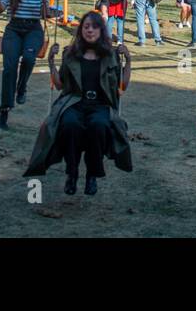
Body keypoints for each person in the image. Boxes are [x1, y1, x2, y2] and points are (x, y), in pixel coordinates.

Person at [25, 11, 133, 196]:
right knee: (69, 124)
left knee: (98, 126)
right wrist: (51, 62)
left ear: (101, 30)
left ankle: (92, 174)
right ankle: (72, 172)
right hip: (74, 102)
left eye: (94, 27)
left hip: (100, 104)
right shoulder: (71, 54)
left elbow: (121, 87)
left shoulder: (110, 56)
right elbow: (60, 85)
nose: (90, 30)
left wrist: (128, 62)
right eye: (86, 26)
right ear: (81, 30)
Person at [0, 0, 48, 129]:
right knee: (9, 69)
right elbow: (2, 8)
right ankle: (4, 110)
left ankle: (22, 86)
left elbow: (45, 12)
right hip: (14, 28)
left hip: (33, 29)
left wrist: (46, 6)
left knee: (29, 58)